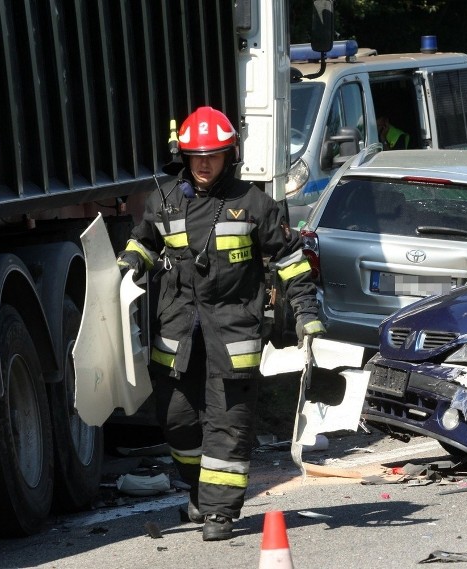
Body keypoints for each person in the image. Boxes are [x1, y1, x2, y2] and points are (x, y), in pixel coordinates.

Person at [116, 106, 325, 541]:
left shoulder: (254, 205)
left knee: (228, 424)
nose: (205, 163)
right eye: (197, 156)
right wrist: (132, 260)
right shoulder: (166, 199)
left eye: (213, 155)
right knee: (177, 421)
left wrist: (306, 312)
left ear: (230, 155)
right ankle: (199, 492)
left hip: (234, 333)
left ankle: (220, 513)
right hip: (177, 333)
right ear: (185, 157)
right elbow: (146, 240)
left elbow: (289, 260)